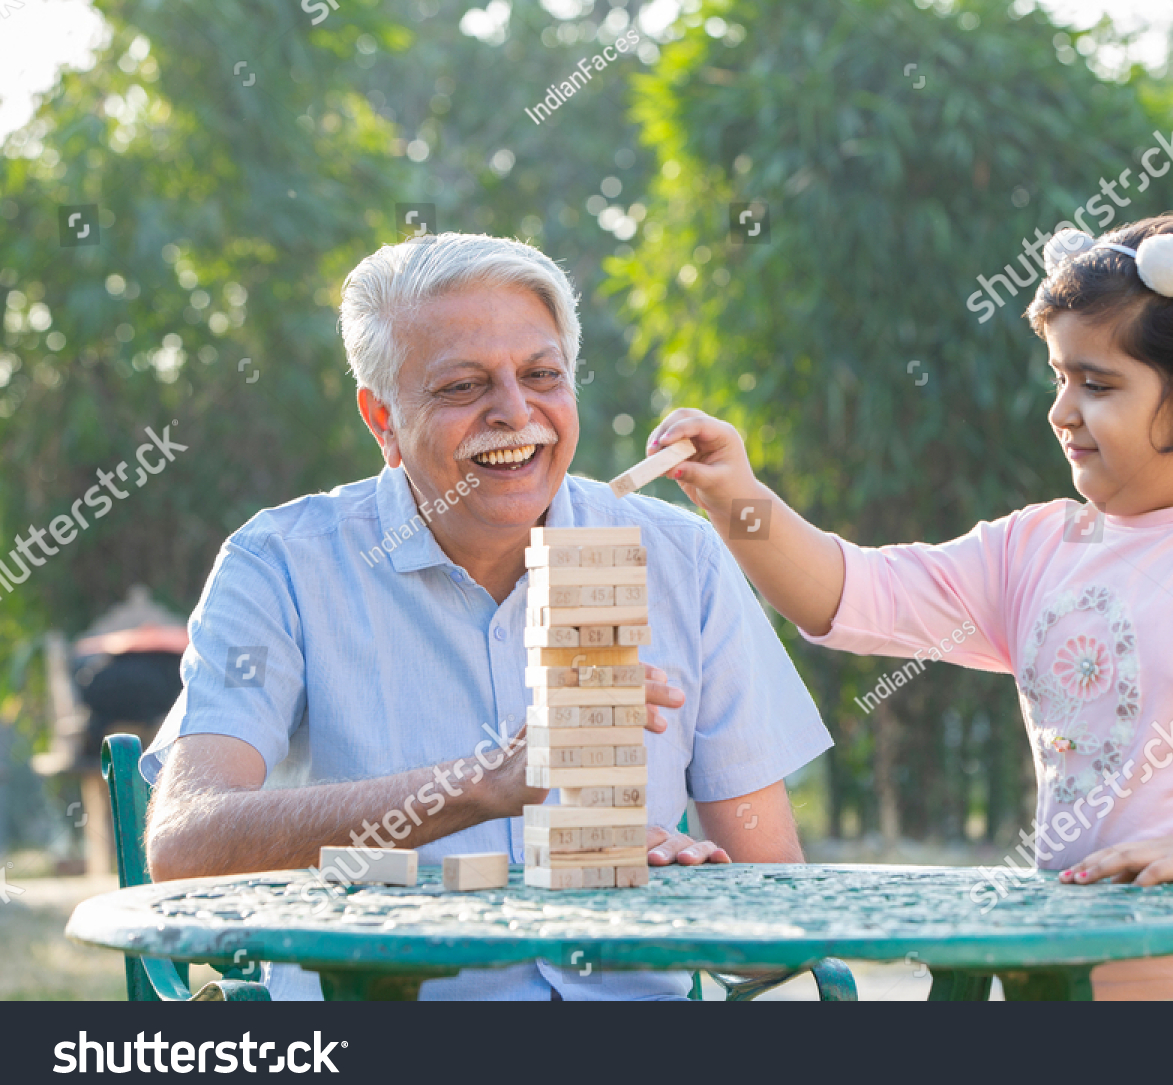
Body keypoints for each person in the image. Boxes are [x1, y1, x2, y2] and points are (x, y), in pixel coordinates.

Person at [645, 213, 1173, 1001]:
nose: (1061, 411)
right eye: (1060, 377)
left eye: (1097, 384)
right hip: (1066, 986)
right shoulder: (1035, 548)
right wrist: (737, 498)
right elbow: (853, 593)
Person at [142, 233, 831, 1001]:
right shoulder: (283, 563)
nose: (516, 413)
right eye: (463, 387)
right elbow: (185, 846)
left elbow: (776, 939)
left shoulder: (683, 558)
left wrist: (694, 896)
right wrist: (480, 785)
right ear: (383, 421)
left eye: (543, 376)